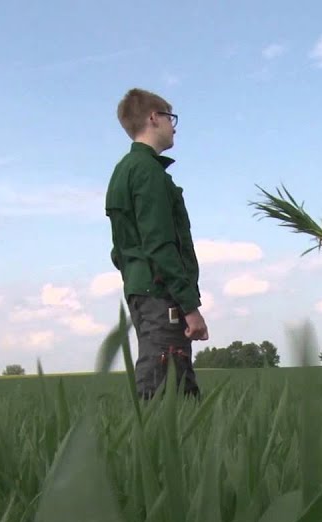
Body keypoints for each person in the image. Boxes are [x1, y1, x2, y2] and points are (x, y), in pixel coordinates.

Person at [105, 88, 208, 400]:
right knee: (161, 387)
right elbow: (161, 245)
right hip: (161, 291)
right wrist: (190, 307)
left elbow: (119, 250)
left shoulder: (123, 171)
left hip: (142, 290)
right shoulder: (148, 172)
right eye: (169, 117)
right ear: (153, 118)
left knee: (179, 388)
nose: (173, 126)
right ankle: (148, 448)